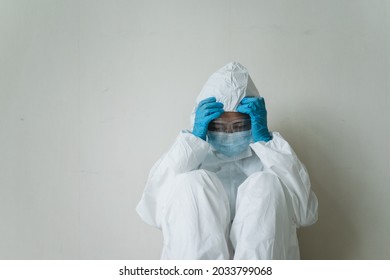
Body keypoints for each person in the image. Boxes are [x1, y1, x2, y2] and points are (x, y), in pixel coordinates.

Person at [136, 62, 318, 259]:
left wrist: (267, 144)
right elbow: (152, 211)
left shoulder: (271, 157)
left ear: (253, 122)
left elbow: (305, 214)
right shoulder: (189, 158)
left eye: (239, 125)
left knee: (265, 184)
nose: (230, 132)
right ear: (204, 123)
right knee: (191, 182)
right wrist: (193, 141)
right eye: (219, 126)